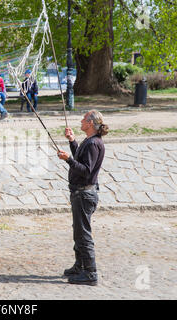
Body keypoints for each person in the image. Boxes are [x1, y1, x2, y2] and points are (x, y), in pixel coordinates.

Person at [57, 110, 109, 286]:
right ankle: (80, 266)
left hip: (84, 194)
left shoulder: (94, 144)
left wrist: (68, 160)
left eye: (83, 119)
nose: (80, 121)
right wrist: (72, 142)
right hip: (80, 193)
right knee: (78, 231)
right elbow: (81, 156)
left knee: (83, 234)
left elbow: (86, 170)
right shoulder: (89, 141)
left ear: (90, 123)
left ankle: (90, 273)